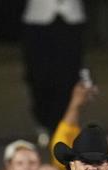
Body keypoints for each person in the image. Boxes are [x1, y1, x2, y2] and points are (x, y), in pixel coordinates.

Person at [21, 0, 85, 142]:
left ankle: (64, 125)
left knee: (69, 76)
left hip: (72, 18)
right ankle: (44, 122)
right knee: (39, 76)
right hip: (38, 18)